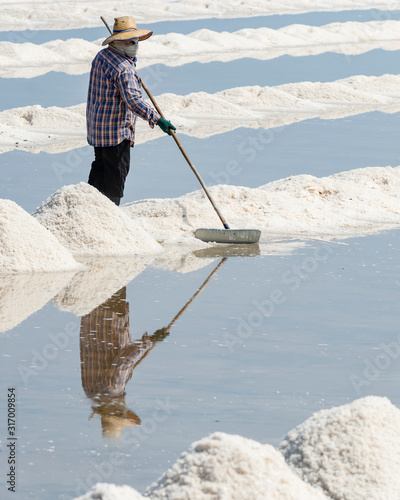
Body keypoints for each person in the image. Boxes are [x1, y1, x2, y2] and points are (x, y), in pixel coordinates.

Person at [86, 16, 176, 205]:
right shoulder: (124, 69)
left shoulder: (102, 56)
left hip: (98, 129)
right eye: (130, 42)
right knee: (115, 177)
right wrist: (158, 120)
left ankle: (90, 208)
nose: (135, 45)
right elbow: (134, 102)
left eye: (136, 41)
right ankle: (111, 215)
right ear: (118, 42)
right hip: (115, 133)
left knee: (99, 172)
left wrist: (131, 65)